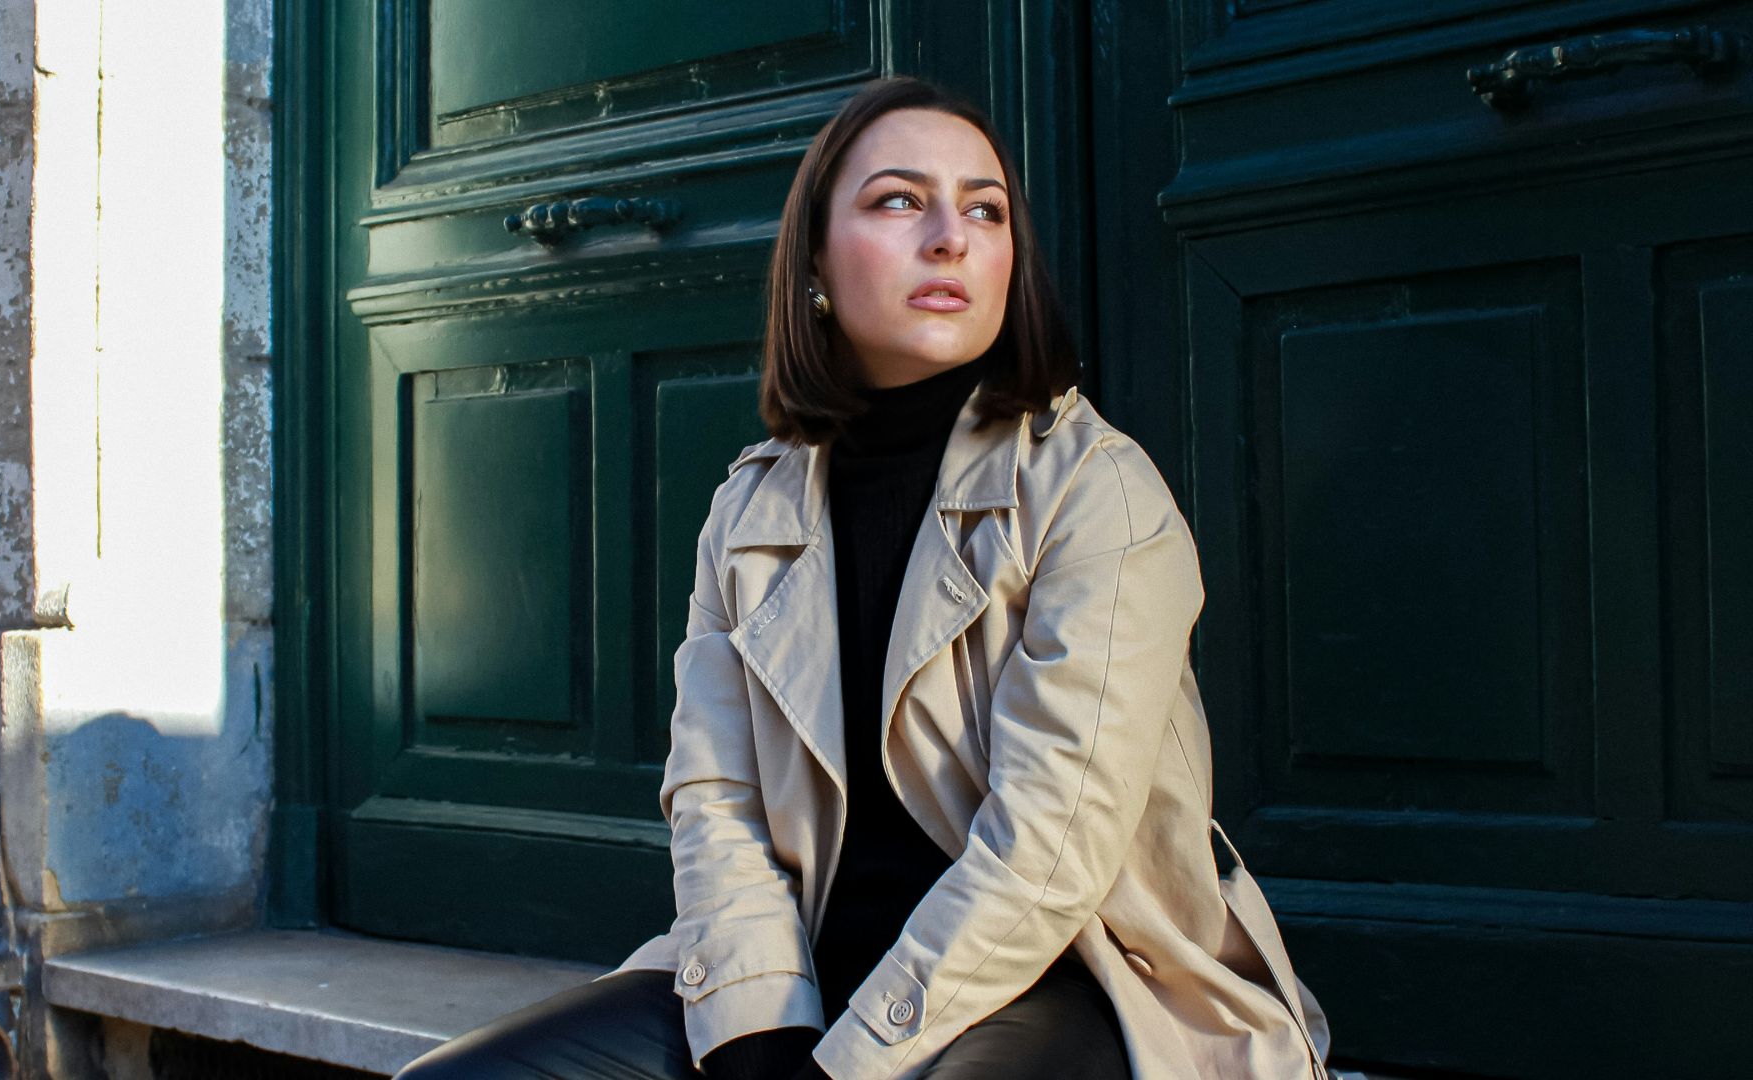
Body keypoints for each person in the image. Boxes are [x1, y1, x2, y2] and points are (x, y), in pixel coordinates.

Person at [395, 76, 1333, 1080]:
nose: (951, 237)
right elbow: (717, 801)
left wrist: (846, 1062)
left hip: (1066, 980)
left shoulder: (1097, 491)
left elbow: (1051, 851)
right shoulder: (750, 508)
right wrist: (762, 1041)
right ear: (812, 264)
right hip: (798, 971)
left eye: (985, 208)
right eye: (899, 200)